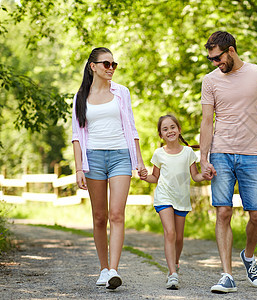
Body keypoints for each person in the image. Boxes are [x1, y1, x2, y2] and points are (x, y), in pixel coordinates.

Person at [199, 31, 257, 293]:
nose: (215, 63)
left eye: (218, 58)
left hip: (251, 153)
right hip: (220, 153)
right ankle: (226, 275)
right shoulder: (209, 81)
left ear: (231, 50)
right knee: (223, 211)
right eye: (211, 59)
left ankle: (248, 255)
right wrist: (203, 157)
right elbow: (206, 121)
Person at [72, 47, 147, 290]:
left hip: (120, 157)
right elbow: (76, 136)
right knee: (99, 216)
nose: (111, 68)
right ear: (92, 66)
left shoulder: (122, 92)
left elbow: (132, 129)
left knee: (116, 214)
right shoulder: (80, 96)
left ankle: (114, 270)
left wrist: (139, 160)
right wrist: (78, 168)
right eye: (106, 64)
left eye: (114, 64)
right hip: (93, 158)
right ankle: (103, 269)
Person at [141, 114, 205, 290]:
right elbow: (155, 177)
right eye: (165, 129)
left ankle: (175, 263)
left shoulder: (188, 152)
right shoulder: (159, 153)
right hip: (164, 197)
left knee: (178, 237)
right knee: (170, 233)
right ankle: (172, 274)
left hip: (181, 199)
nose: (169, 131)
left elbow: (195, 176)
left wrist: (205, 175)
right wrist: (145, 177)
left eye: (172, 127)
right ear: (161, 135)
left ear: (179, 130)